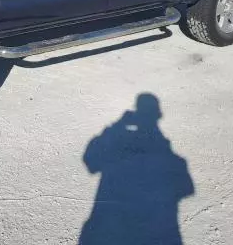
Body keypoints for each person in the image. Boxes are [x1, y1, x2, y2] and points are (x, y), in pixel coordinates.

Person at [80, 94, 194, 245]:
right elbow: (186, 189)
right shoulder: (176, 161)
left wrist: (117, 125)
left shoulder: (174, 160)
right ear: (158, 115)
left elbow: (91, 161)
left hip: (112, 226)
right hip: (160, 230)